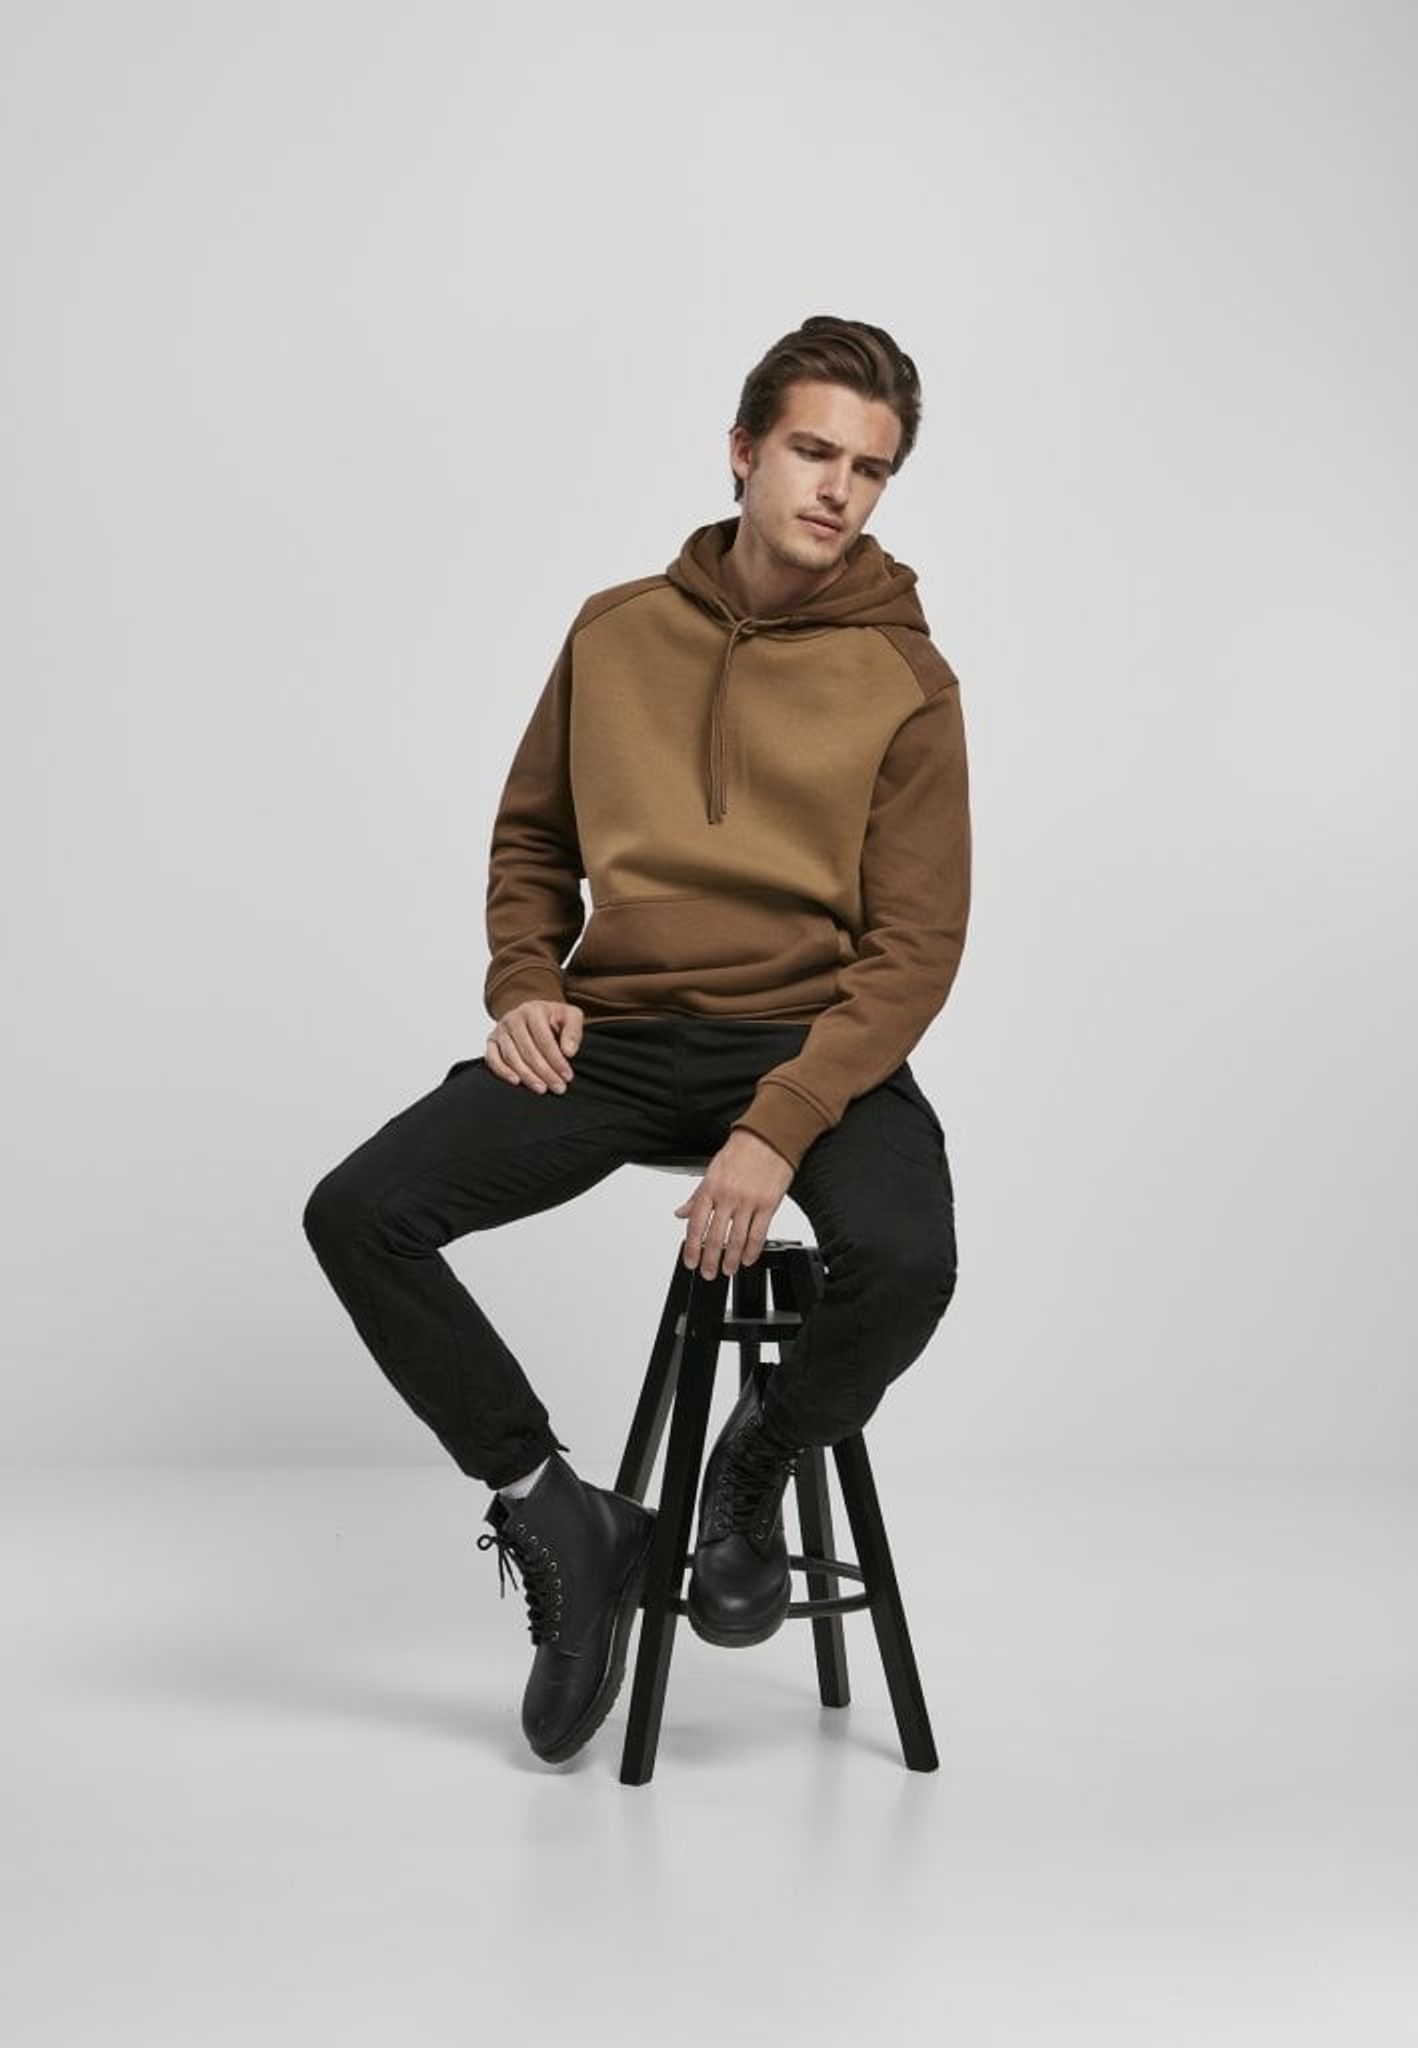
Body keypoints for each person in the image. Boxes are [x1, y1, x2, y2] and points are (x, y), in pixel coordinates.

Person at [302, 314, 971, 1767]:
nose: (836, 489)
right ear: (742, 451)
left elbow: (915, 951)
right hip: (618, 1032)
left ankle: (754, 1462)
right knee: (359, 1213)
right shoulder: (614, 632)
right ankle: (557, 1511)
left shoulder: (907, 681)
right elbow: (533, 839)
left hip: (810, 1036)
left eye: (868, 469)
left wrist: (779, 1123)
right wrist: (523, 980)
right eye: (811, 451)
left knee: (908, 1258)